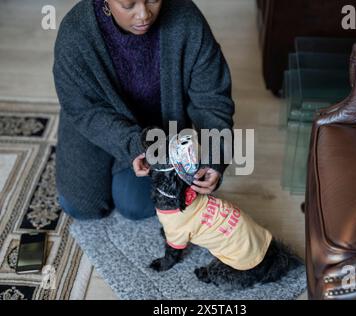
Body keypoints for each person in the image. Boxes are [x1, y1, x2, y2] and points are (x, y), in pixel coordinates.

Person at [53, 0, 235, 221]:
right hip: (97, 119)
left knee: (136, 206)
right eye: (129, 5)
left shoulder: (186, 19)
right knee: (81, 206)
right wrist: (131, 145)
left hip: (157, 128)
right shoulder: (75, 32)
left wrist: (214, 154)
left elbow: (212, 97)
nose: (144, 15)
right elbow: (82, 108)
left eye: (153, 0)